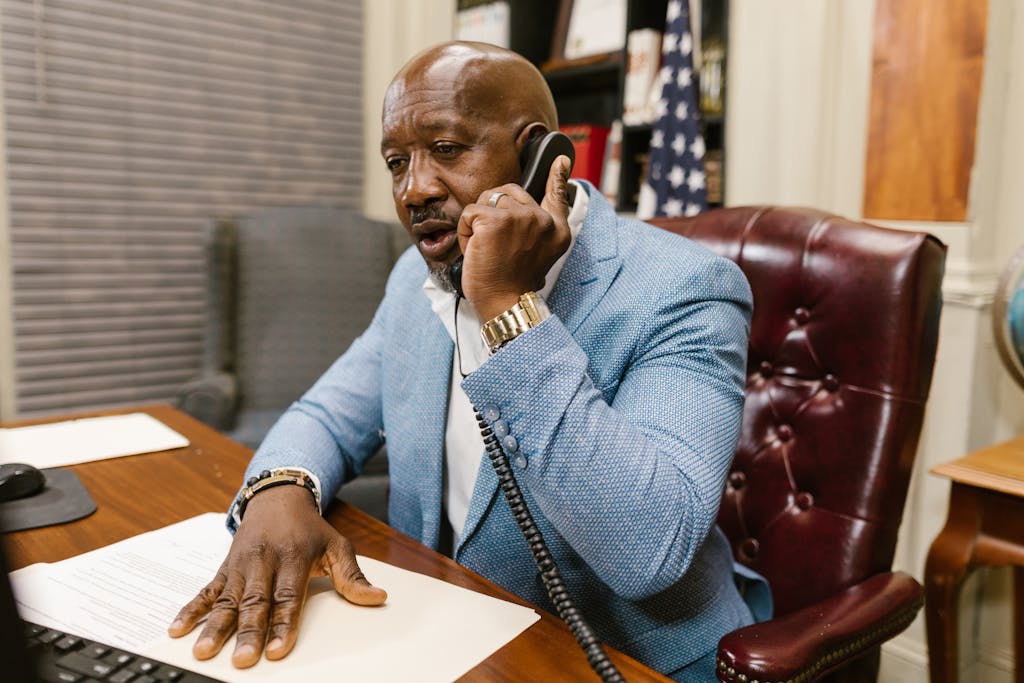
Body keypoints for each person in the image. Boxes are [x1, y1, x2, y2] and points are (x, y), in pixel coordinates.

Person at [168, 41, 763, 681]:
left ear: (542, 158)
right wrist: (279, 490)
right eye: (398, 162)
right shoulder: (414, 276)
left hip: (627, 661)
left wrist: (509, 306)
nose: (414, 188)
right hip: (454, 636)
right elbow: (329, 412)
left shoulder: (686, 287)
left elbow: (648, 549)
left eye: (447, 150)